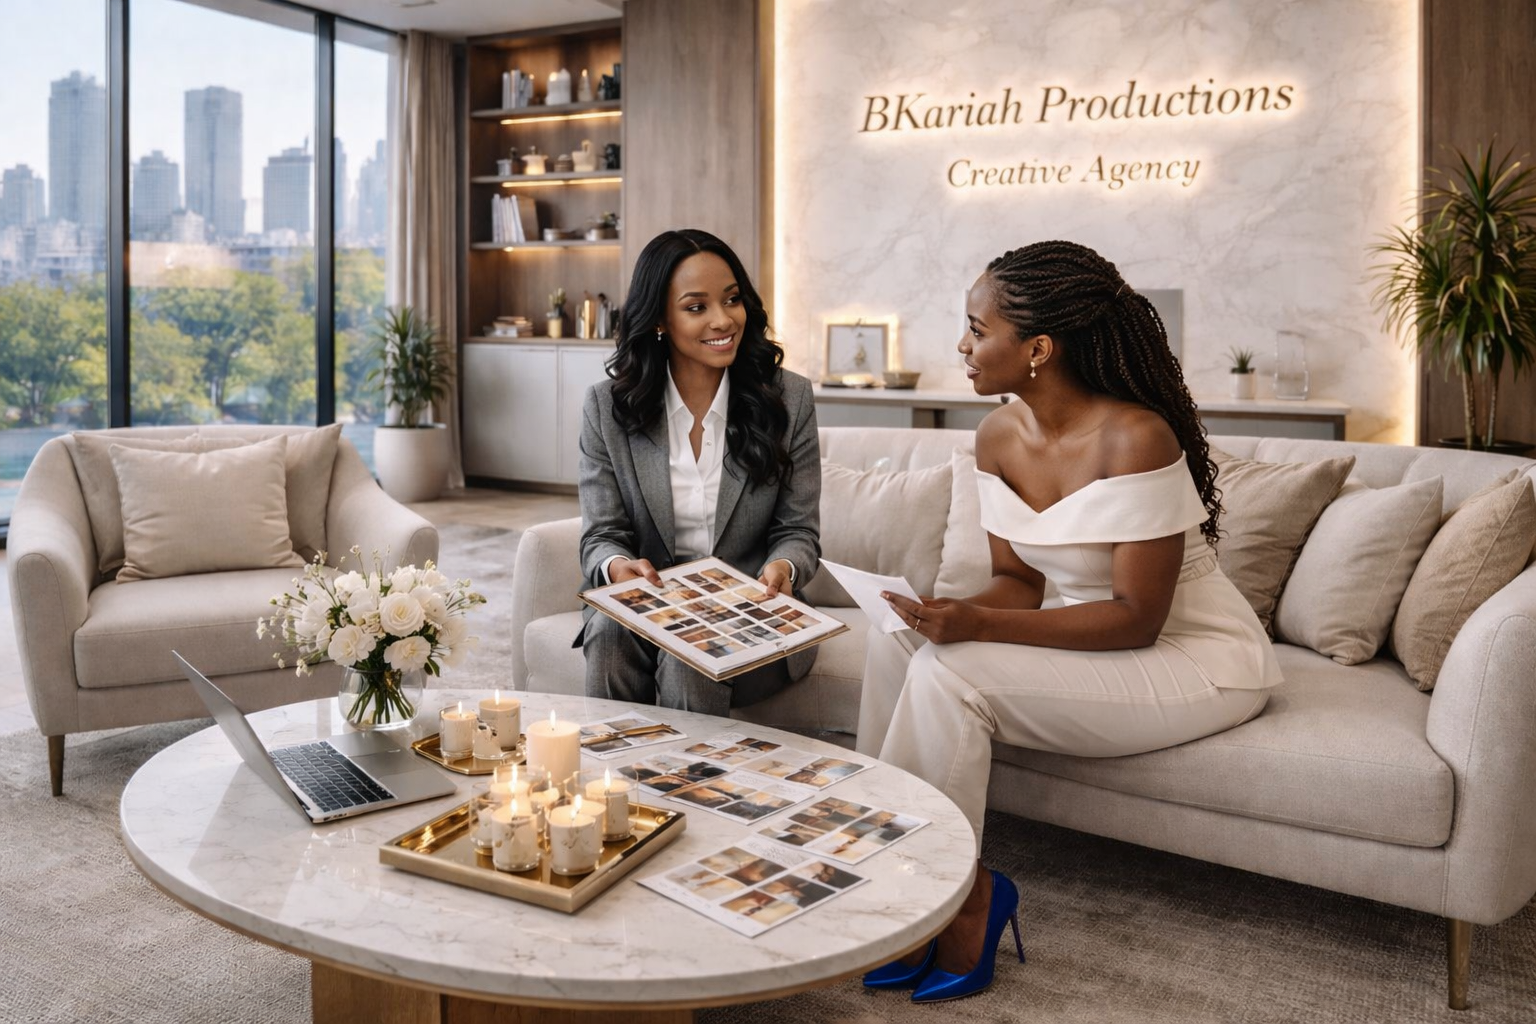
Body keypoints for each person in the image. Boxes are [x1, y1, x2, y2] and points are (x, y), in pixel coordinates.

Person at [858, 240, 1283, 1003]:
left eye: (976, 328)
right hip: (1099, 639)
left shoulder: (1136, 436)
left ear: (1038, 349)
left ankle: (958, 901)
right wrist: (942, 613)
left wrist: (976, 630)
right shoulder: (995, 437)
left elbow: (1135, 620)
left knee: (951, 671)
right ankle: (889, 886)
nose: (961, 344)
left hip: (1193, 660)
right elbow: (1020, 580)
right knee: (895, 642)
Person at [577, 228, 821, 714]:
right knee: (606, 632)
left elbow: (798, 531)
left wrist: (783, 569)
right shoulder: (608, 407)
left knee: (690, 657)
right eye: (696, 307)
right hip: (652, 608)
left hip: (750, 612)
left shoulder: (788, 398)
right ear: (660, 320)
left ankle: (687, 786)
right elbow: (601, 535)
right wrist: (616, 567)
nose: (722, 320)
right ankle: (614, 781)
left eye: (732, 299)